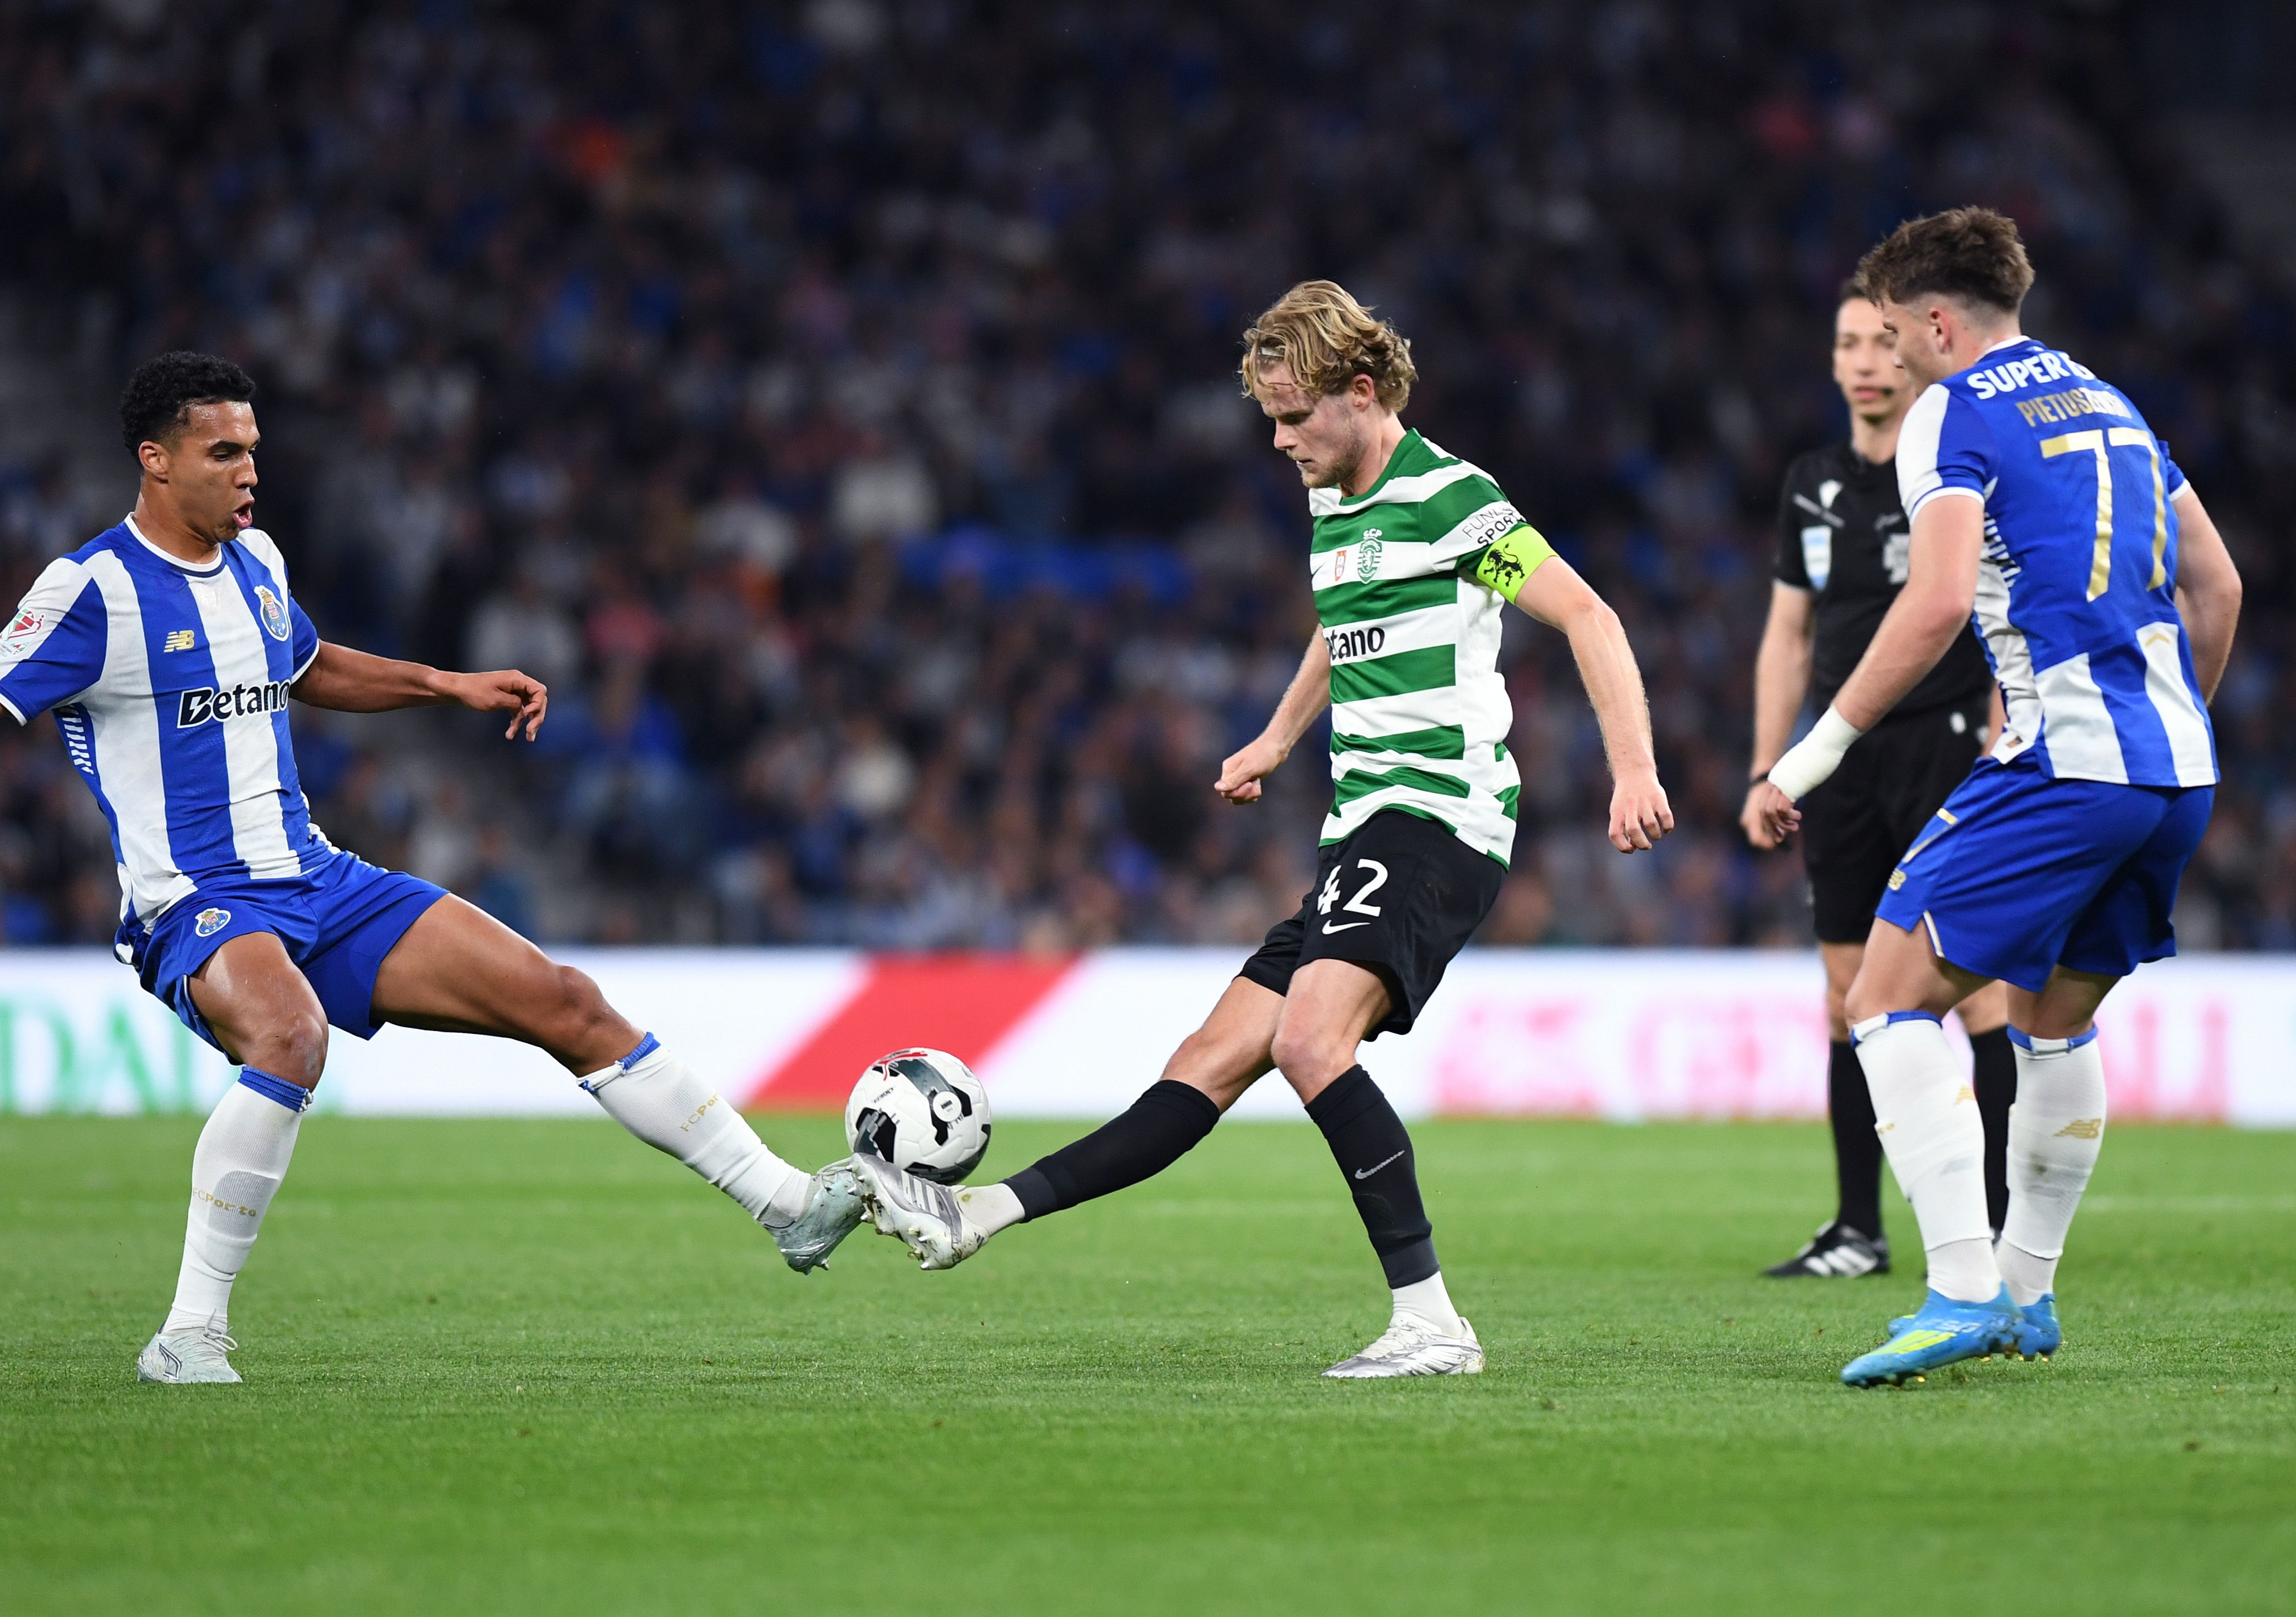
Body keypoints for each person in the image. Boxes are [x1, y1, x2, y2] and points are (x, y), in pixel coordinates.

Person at [0, 353, 864, 1384]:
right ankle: (189, 1335)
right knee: (290, 1033)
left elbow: (309, 665)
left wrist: (447, 684)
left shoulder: (258, 562)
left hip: (320, 880)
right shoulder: (96, 590)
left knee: (563, 998)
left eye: (254, 449)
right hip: (195, 902)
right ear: (155, 461)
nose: (249, 470)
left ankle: (787, 1205)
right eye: (224, 452)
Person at [852, 282, 1673, 1378]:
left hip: (1437, 817)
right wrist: (1276, 739)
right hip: (1361, 830)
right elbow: (1339, 632)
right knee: (1207, 1059)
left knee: (1305, 1043)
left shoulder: (1450, 499)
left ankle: (1431, 1322)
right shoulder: (1335, 501)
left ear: (1361, 393)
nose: (1279, 442)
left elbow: (1587, 612)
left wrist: (1632, 769)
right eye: (1269, 421)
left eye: (1293, 418)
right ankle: (974, 1217)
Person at [1754, 209, 2241, 1386]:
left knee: (1879, 999)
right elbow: (2213, 584)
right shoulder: (2105, 399)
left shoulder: (1949, 414)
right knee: (2051, 1022)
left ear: (1932, 323)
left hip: (2058, 762)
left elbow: (1928, 608)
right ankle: (2026, 1292)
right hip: (2171, 766)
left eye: (1891, 330)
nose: (1888, 352)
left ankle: (1961, 1288)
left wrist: (1807, 758)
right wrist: (2165, 725)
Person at [1744, 279, 2012, 1280]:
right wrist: (1767, 764)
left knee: (1975, 994)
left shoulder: (1948, 465)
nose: (1863, 360)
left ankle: (1988, 1228)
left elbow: (1986, 605)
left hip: (1943, 747)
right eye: (1846, 343)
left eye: (1877, 343)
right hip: (1841, 765)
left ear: (1909, 353)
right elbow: (1785, 635)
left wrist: (1998, 733)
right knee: (1844, 994)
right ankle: (1858, 1228)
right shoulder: (1811, 483)